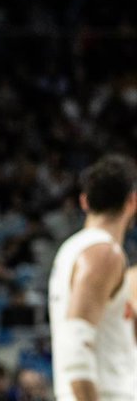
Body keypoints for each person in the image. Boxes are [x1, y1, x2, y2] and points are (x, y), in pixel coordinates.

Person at [48, 154, 137, 401]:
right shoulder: (104, 254)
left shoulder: (71, 250)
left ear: (84, 201)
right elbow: (76, 346)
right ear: (132, 201)